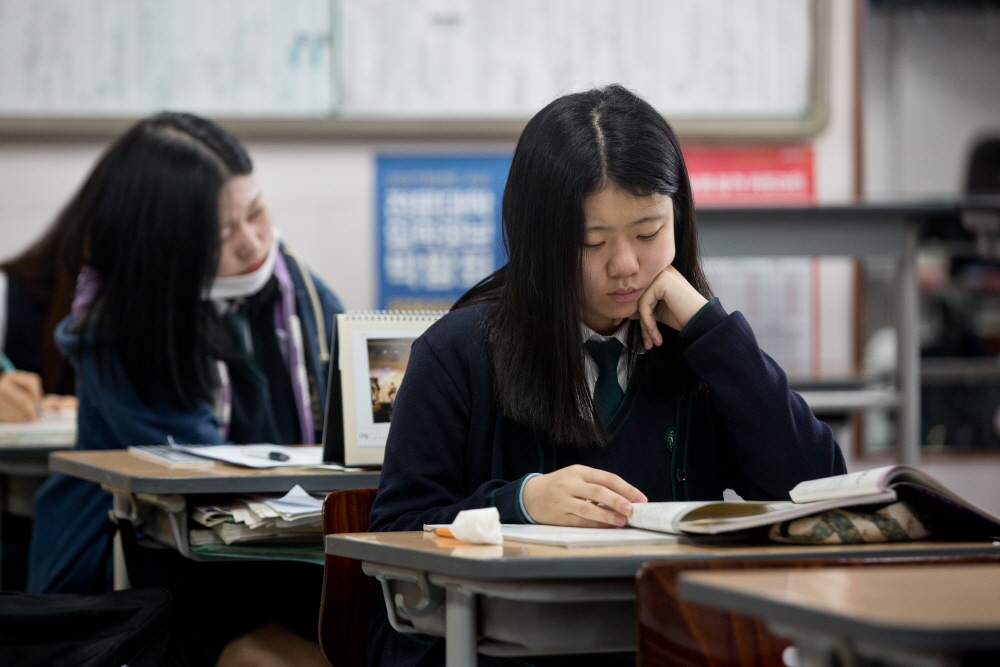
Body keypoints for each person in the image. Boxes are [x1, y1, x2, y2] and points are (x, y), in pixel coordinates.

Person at [367, 85, 847, 667]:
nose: (626, 265)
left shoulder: (700, 348)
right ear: (540, 242)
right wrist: (520, 502)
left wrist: (710, 328)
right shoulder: (459, 352)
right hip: (511, 650)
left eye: (648, 233)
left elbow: (815, 491)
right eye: (590, 242)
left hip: (668, 641)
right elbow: (395, 535)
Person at [26, 112, 341, 667]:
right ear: (168, 245)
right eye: (221, 233)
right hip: (159, 570)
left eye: (257, 212)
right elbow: (199, 483)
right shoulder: (126, 323)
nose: (250, 243)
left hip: (280, 552)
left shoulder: (299, 291)